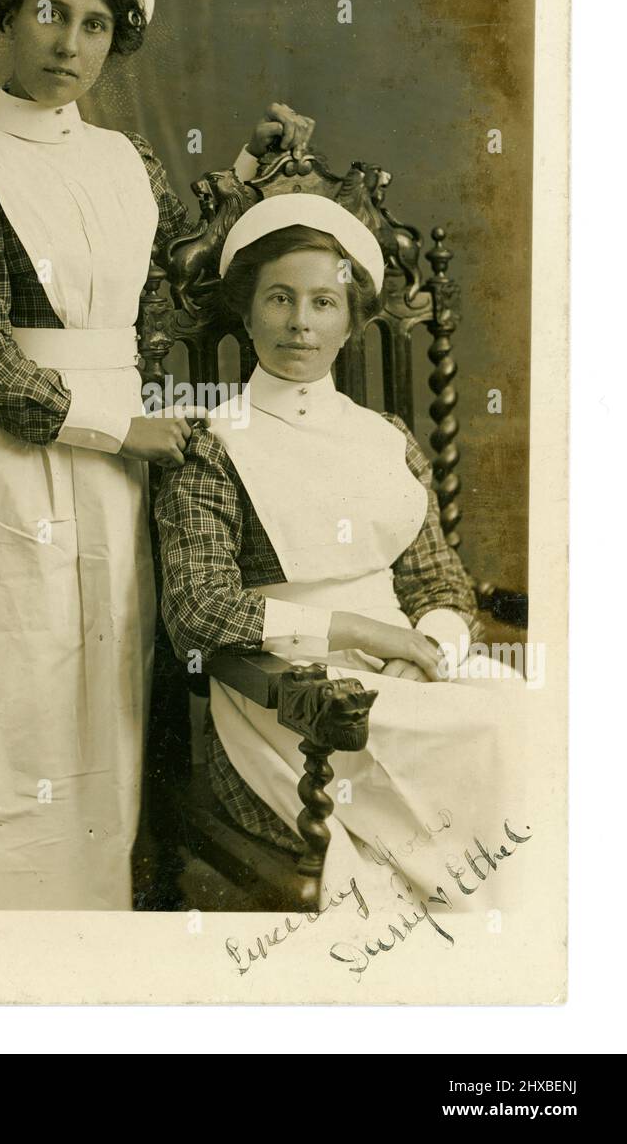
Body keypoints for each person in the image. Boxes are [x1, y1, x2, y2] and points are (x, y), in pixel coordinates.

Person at [0, 0, 314, 911]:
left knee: (94, 710)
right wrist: (123, 429)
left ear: (117, 41)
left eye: (97, 25)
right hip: (1, 469)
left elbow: (175, 297)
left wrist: (250, 177)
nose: (70, 43)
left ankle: (83, 939)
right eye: (48, 13)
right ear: (7, 19)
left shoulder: (129, 162)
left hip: (115, 472)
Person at [155, 193, 530, 913]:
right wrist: (363, 635)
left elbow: (438, 580)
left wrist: (426, 647)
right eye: (279, 298)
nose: (300, 321)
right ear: (247, 310)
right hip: (287, 697)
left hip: (405, 666)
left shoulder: (385, 435)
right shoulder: (209, 442)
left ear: (352, 319)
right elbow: (199, 614)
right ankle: (490, 928)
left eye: (324, 302)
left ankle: (518, 938)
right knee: (484, 731)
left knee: (536, 708)